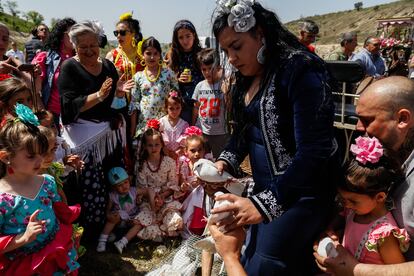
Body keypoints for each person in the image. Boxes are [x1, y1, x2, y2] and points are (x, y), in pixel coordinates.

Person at [210, 1, 337, 274]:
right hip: (264, 194)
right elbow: (246, 132)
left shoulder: (301, 69)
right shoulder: (251, 74)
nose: (231, 57)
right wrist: (224, 163)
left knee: (264, 267)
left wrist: (265, 204)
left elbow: (314, 151)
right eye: (225, 50)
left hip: (300, 196)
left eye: (236, 46)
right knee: (249, 258)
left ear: (260, 34)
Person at [314, 76, 414, 276]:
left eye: (367, 120)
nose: (359, 127)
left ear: (402, 119)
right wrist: (336, 230)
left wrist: (355, 269)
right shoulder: (387, 155)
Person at [0, 104, 80, 275]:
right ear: (6, 157)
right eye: (31, 156)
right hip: (27, 266)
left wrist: (69, 237)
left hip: (55, 253)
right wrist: (23, 238)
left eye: (41, 153)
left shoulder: (47, 182)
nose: (40, 160)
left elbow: (59, 213)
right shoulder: (2, 199)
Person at [337, 136, 409, 264]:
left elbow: (395, 270)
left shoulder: (383, 235)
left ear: (380, 197)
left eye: (353, 201)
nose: (346, 205)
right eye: (343, 199)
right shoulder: (353, 212)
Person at [58, 21, 134, 125]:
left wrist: (118, 95)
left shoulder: (108, 66)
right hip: (80, 135)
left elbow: (116, 107)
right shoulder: (69, 67)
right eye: (83, 47)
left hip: (108, 133)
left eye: (93, 45)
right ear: (75, 47)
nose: (89, 51)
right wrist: (99, 95)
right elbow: (69, 106)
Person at [134, 124, 183, 241]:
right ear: (145, 146)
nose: (154, 148)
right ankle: (157, 230)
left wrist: (162, 196)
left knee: (173, 217)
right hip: (148, 201)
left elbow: (173, 184)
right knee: (146, 218)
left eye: (157, 144)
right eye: (150, 145)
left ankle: (167, 227)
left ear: (162, 145)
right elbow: (143, 188)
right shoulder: (142, 165)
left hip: (165, 199)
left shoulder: (169, 162)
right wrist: (153, 200)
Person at [129, 36, 178, 138]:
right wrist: (132, 130)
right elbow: (134, 105)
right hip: (144, 126)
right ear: (142, 55)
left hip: (165, 126)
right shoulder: (138, 77)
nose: (152, 57)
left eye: (155, 53)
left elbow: (176, 101)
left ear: (160, 55)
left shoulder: (169, 74)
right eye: (148, 53)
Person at [32, 18, 76, 128]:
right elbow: (34, 90)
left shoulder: (80, 58)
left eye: (78, 33)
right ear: (61, 36)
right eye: (72, 33)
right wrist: (44, 114)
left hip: (76, 116)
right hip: (53, 116)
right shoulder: (46, 58)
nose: (76, 37)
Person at [97, 167, 147, 254]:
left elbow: (147, 191)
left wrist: (148, 197)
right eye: (120, 185)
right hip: (120, 220)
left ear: (129, 180)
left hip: (132, 218)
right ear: (114, 187)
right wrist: (108, 215)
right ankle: (102, 240)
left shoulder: (133, 191)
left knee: (139, 225)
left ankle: (122, 242)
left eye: (126, 182)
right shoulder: (113, 195)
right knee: (114, 217)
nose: (124, 186)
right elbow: (108, 210)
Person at [192, 48, 229, 158]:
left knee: (221, 159)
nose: (207, 72)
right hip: (203, 131)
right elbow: (196, 107)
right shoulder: (200, 86)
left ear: (218, 67)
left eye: (210, 68)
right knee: (204, 159)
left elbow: (229, 106)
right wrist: (192, 125)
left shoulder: (224, 84)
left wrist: (227, 91)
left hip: (221, 132)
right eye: (204, 69)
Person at [165, 19, 204, 124]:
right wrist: (177, 80)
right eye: (181, 37)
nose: (185, 41)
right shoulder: (172, 56)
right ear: (176, 39)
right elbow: (167, 80)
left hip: (201, 104)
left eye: (188, 36)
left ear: (194, 35)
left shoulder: (202, 54)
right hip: (180, 107)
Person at [106, 12, 144, 81]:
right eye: (116, 33)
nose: (118, 36)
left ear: (133, 33)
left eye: (122, 32)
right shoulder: (112, 56)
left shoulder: (142, 54)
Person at [159, 91, 189, 160]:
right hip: (164, 154)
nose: (175, 111)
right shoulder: (161, 122)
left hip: (178, 155)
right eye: (171, 108)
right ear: (166, 108)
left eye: (177, 108)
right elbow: (159, 139)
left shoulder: (184, 124)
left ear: (181, 107)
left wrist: (177, 152)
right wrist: (166, 151)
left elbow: (184, 142)